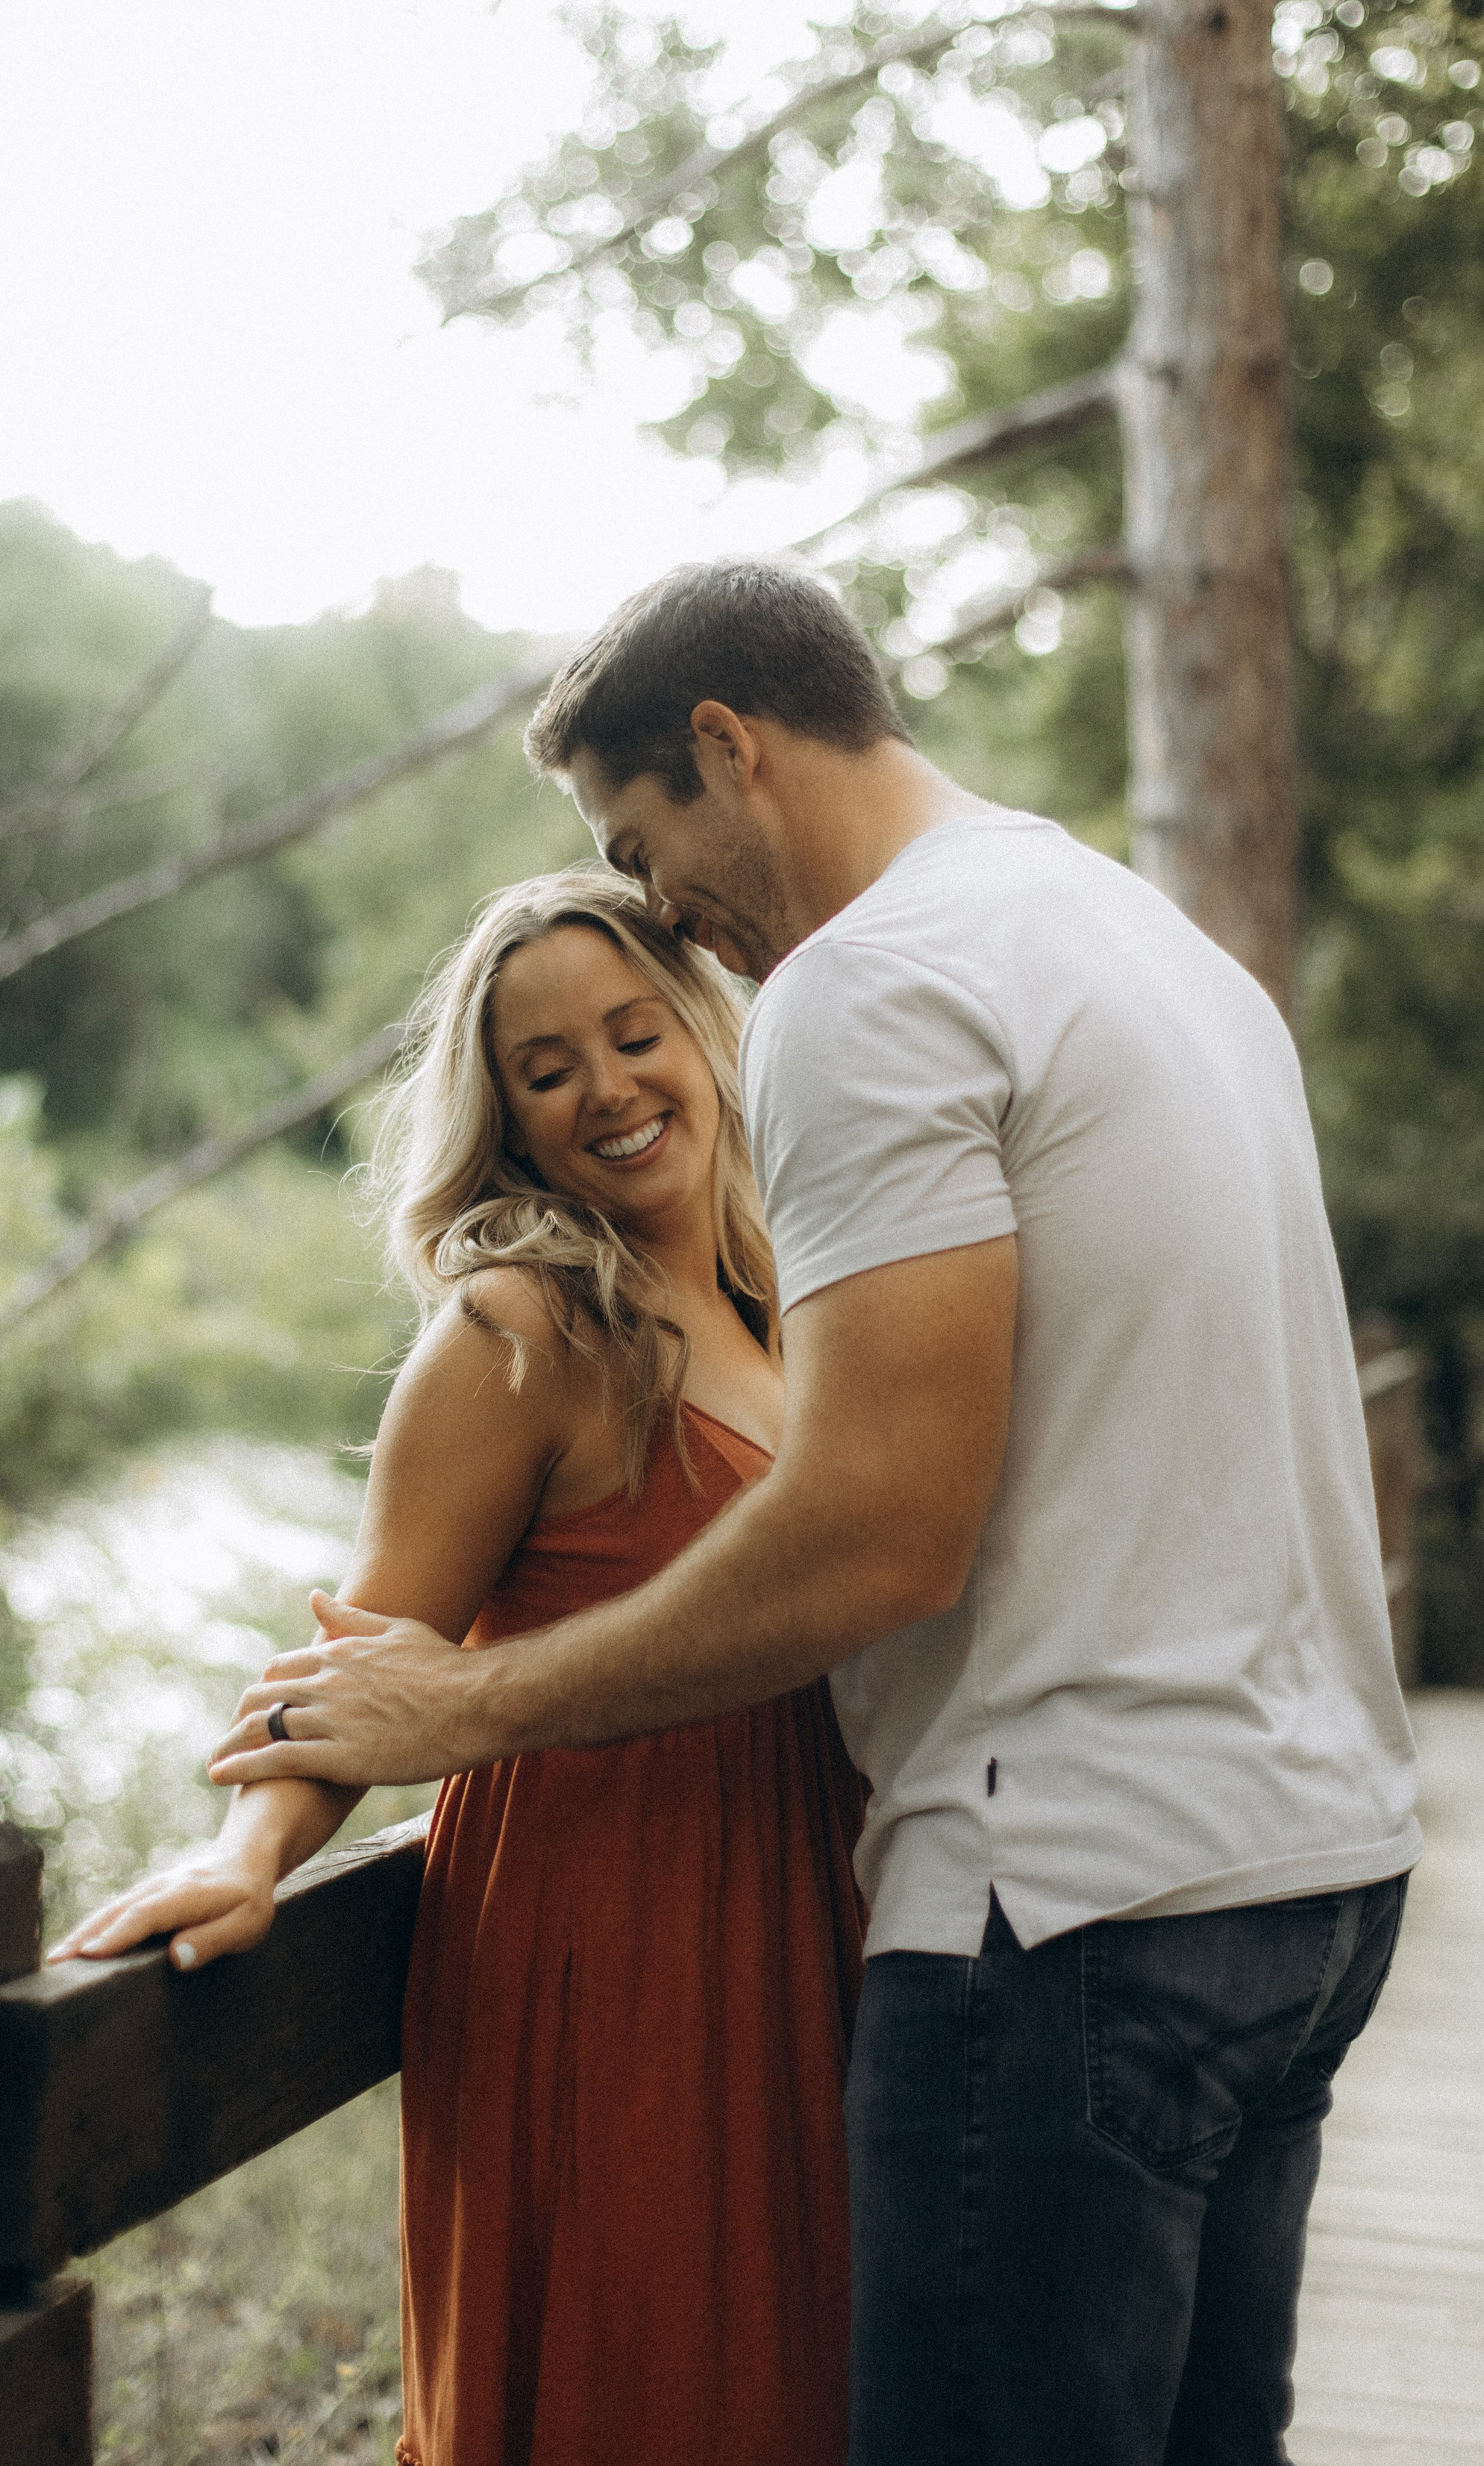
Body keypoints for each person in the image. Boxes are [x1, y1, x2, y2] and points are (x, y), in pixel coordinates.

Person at [214, 561, 1422, 2466]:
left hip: (1068, 1913)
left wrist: (459, 1715)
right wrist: (276, 1826)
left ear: (727, 747)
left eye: (643, 840)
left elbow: (878, 1535)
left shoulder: (870, 982)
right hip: (1305, 1874)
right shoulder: (1150, 945)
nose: (666, 907)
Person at [50, 862, 866, 2466]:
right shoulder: (520, 1330)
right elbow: (359, 1661)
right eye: (545, 1070)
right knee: (635, 2391)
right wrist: (249, 1853)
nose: (607, 1092)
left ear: (704, 1032)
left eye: (633, 1036)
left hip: (796, 1915)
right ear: (499, 1116)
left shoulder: (781, 1302)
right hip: (611, 1946)